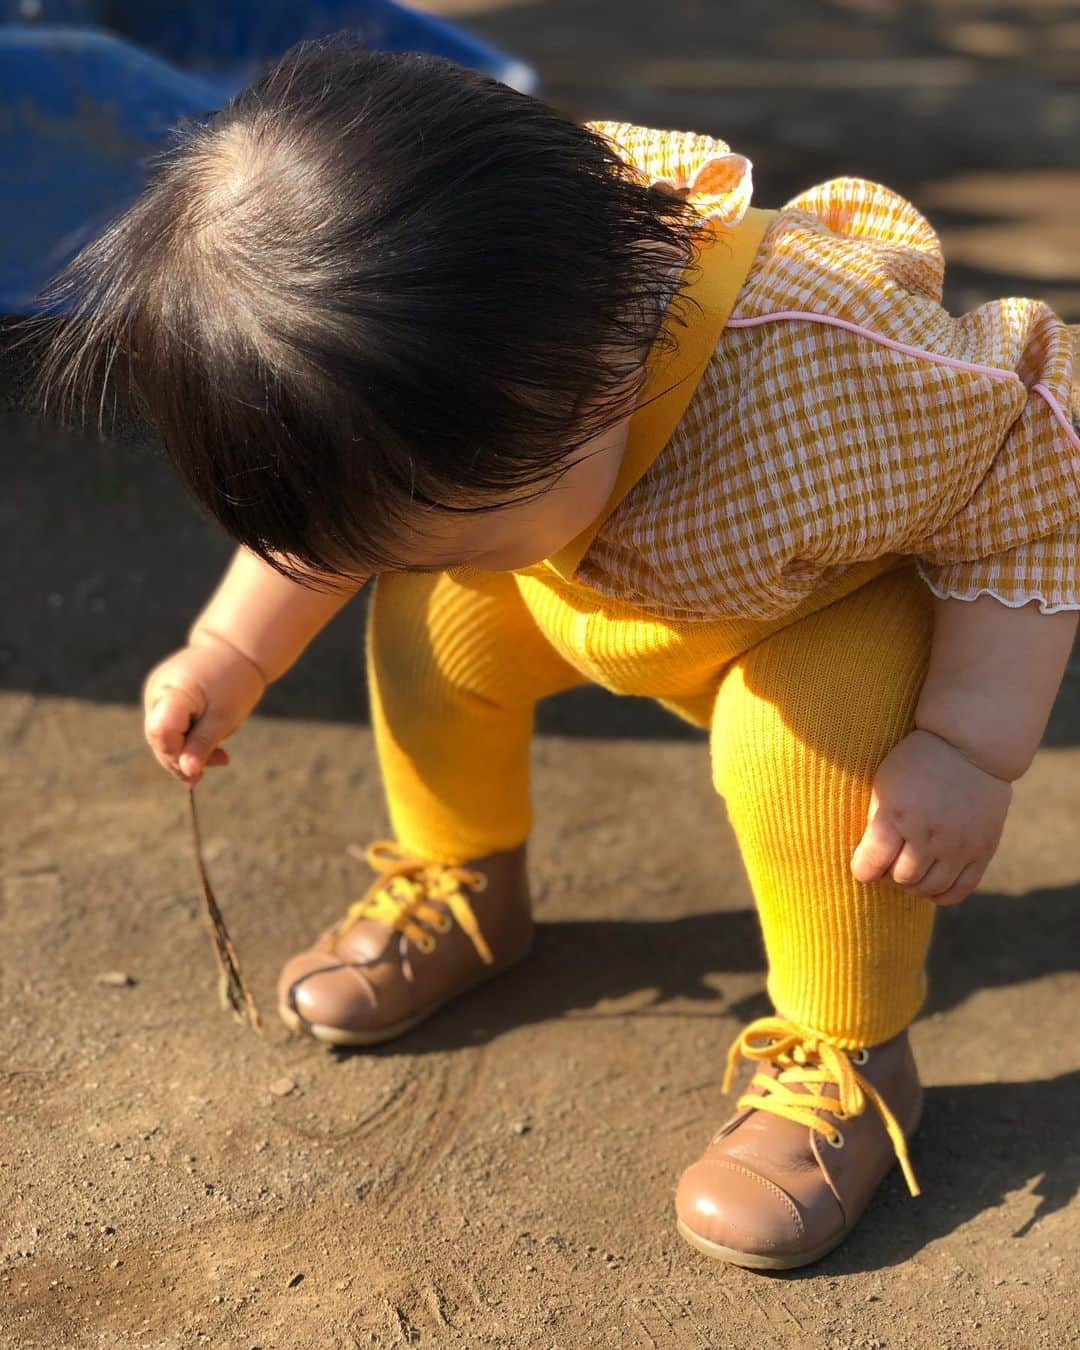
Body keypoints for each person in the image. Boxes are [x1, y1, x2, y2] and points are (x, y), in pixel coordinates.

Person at [30, 35, 1079, 1271]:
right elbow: (345, 513)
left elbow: (1042, 441)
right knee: (435, 627)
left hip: (818, 607)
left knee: (801, 758)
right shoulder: (485, 336)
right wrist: (229, 652)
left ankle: (850, 1054)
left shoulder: (829, 368)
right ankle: (466, 877)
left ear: (587, 387)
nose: (394, 554)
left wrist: (968, 741)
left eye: (434, 530)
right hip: (600, 579)